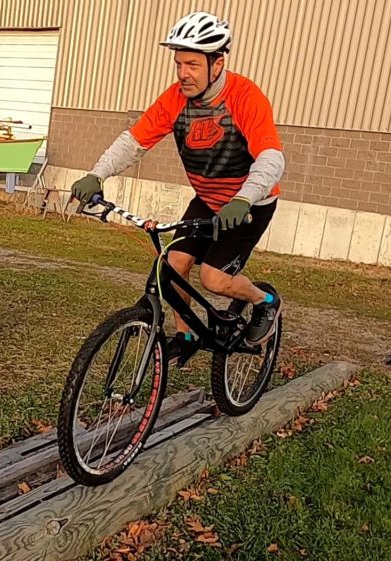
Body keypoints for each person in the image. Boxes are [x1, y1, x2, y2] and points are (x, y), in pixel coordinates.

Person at [71, 11, 285, 365]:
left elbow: (271, 157)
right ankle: (185, 335)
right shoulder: (175, 99)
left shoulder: (245, 96)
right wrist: (97, 174)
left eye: (192, 64)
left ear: (217, 64)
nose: (183, 73)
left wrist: (245, 198)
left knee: (214, 279)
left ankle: (265, 302)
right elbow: (134, 141)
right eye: (178, 64)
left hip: (251, 204)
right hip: (207, 200)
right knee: (171, 266)